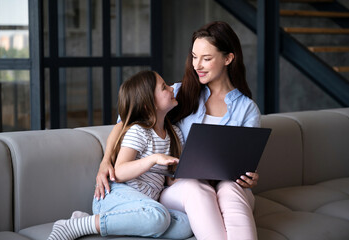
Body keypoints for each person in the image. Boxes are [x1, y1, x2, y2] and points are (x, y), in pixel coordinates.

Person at [95, 21, 261, 240]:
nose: (197, 65)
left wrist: (249, 177)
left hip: (229, 187)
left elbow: (246, 163)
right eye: (194, 56)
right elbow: (127, 119)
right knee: (195, 187)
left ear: (228, 58)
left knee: (229, 190)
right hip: (182, 188)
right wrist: (106, 161)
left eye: (206, 58)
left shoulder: (247, 109)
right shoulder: (179, 93)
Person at [47, 70, 192, 240]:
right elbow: (120, 172)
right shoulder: (139, 131)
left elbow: (170, 180)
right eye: (164, 87)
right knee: (158, 215)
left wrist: (193, 172)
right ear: (149, 105)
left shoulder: (174, 134)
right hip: (115, 195)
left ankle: (108, 222)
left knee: (185, 225)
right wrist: (153, 159)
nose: (172, 88)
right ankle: (76, 225)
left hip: (144, 204)